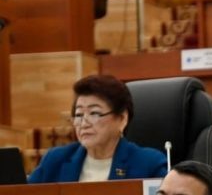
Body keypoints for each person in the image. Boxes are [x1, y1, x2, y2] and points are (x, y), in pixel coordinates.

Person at [28, 75, 167, 183]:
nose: (84, 123)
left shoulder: (149, 164)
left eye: (94, 113)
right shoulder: (55, 160)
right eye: (79, 115)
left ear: (122, 119)